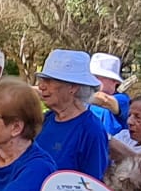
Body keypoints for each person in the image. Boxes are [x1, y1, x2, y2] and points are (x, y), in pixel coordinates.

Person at [33, 50, 112, 178]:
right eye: (42, 80)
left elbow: (92, 185)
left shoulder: (91, 130)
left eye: (49, 81)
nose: (41, 86)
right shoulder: (47, 119)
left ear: (73, 87)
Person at [88, 53, 131, 135]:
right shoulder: (87, 102)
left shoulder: (122, 100)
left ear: (115, 81)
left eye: (97, 77)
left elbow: (105, 101)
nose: (92, 81)